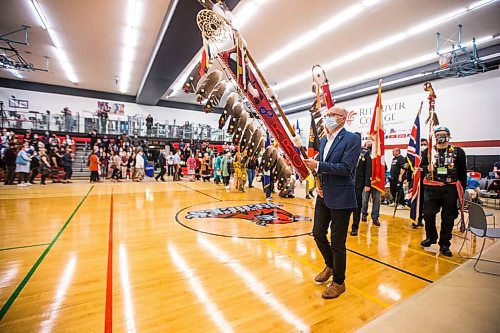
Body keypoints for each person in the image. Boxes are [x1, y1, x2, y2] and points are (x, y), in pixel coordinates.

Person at [303, 106, 360, 300]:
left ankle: (339, 281)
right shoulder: (325, 140)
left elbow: (345, 168)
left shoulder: (352, 139)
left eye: (332, 115)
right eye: (327, 115)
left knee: (337, 242)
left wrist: (318, 165)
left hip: (342, 197)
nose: (327, 118)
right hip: (323, 194)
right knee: (318, 233)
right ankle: (330, 265)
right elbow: (325, 169)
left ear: (343, 118)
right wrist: (318, 182)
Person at [420, 126, 467, 257]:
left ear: (449, 136)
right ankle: (431, 237)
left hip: (450, 188)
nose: (440, 136)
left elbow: (463, 172)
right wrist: (426, 168)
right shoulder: (428, 152)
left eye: (443, 134)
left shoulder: (458, 151)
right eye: (438, 134)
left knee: (448, 218)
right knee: (428, 214)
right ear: (435, 137)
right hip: (431, 188)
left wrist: (462, 191)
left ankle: (444, 244)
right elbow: (421, 167)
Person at [352, 139, 372, 236]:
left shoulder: (364, 153)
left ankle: (355, 227)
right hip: (347, 184)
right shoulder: (348, 150)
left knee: (357, 206)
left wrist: (367, 184)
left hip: (358, 184)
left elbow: (368, 169)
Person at [361, 141, 381, 226]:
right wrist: (366, 183)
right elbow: (363, 170)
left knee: (376, 201)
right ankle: (364, 214)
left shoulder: (379, 157)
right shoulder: (364, 155)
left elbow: (384, 167)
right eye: (368, 145)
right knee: (364, 200)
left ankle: (375, 218)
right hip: (367, 182)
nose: (370, 146)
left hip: (377, 182)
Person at [411, 138, 428, 228]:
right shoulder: (415, 156)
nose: (423, 146)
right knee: (417, 201)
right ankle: (416, 219)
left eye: (425, 144)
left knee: (426, 203)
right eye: (421, 144)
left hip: (428, 182)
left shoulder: (430, 155)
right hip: (417, 182)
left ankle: (423, 218)